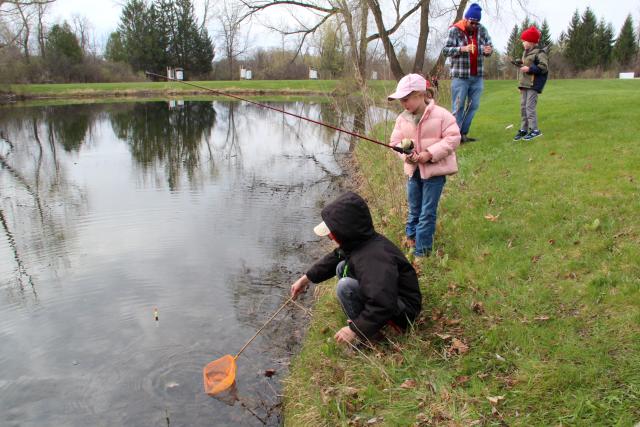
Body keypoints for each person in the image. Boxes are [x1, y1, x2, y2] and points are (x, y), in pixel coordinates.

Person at [290, 191, 422, 344]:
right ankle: (366, 321)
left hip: (403, 312)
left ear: (345, 230)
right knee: (341, 267)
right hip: (391, 297)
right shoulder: (361, 241)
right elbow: (335, 258)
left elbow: (384, 302)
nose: (329, 236)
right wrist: (305, 279)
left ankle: (369, 337)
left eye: (332, 232)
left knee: (345, 287)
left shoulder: (373, 258)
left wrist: (356, 328)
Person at [387, 73, 460, 257]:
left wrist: (430, 154)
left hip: (434, 174)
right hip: (413, 172)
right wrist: (406, 156)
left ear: (421, 94)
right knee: (414, 209)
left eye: (406, 99)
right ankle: (411, 240)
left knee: (427, 213)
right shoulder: (402, 118)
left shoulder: (441, 115)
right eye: (401, 101)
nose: (404, 104)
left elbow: (453, 138)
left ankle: (422, 252)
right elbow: (394, 142)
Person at [442, 3, 493, 143]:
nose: (475, 25)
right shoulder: (455, 30)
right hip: (460, 76)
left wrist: (489, 50)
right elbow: (445, 50)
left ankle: (463, 134)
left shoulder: (482, 30)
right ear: (466, 19)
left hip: (477, 76)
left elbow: (489, 46)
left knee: (473, 105)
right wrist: (462, 49)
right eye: (472, 22)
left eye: (477, 23)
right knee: (458, 107)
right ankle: (454, 136)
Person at [513, 26, 548, 141]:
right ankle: (524, 129)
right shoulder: (525, 52)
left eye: (524, 41)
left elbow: (543, 67)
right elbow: (525, 68)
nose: (523, 43)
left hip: (533, 85)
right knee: (523, 107)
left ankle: (535, 130)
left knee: (530, 107)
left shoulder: (540, 53)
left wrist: (529, 69)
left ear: (531, 42)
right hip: (525, 85)